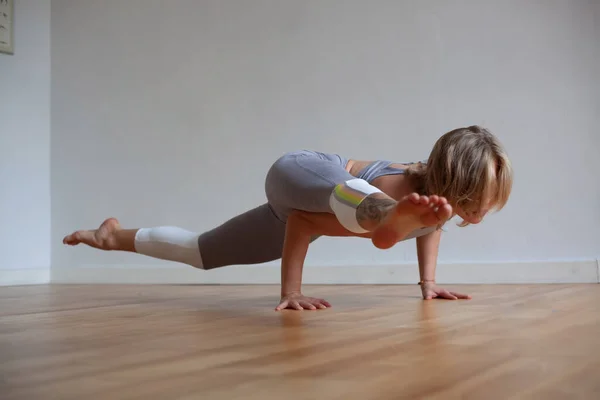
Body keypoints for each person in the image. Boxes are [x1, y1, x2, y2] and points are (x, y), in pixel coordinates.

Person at [63, 125, 513, 311]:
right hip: (300, 171)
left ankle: (110, 237)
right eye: (477, 203)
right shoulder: (403, 193)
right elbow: (304, 223)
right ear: (455, 185)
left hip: (309, 206)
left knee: (202, 252)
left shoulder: (431, 211)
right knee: (379, 212)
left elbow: (429, 230)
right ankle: (385, 222)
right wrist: (292, 292)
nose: (482, 214)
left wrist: (428, 284)